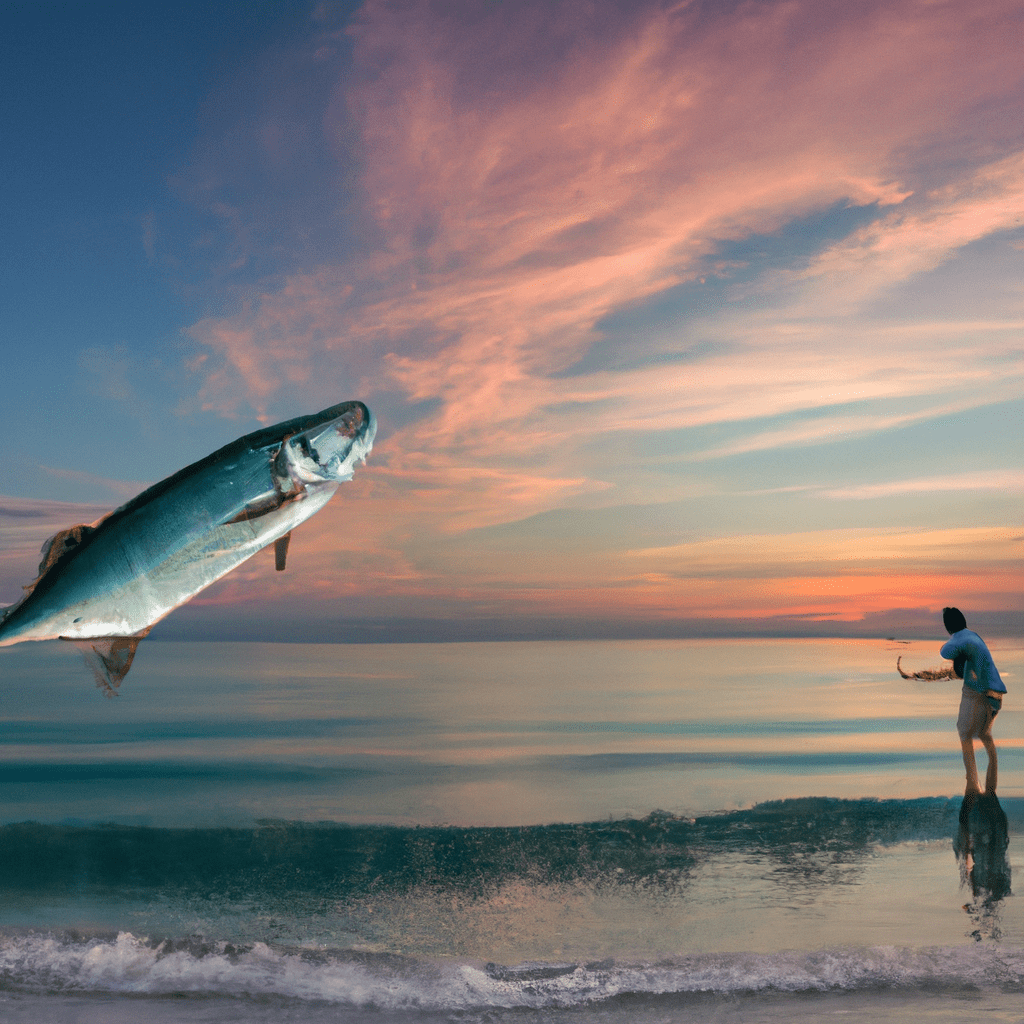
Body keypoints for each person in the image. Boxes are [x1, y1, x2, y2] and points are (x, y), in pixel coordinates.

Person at [941, 607, 1007, 795]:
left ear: (949, 626)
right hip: (996, 695)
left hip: (979, 693)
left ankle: (972, 784)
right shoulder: (974, 636)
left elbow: (945, 652)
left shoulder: (961, 638)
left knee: (964, 732)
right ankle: (991, 785)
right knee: (985, 735)